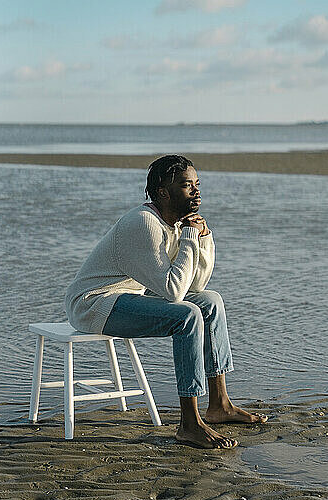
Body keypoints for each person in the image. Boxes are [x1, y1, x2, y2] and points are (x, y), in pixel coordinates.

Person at [65, 154, 267, 449]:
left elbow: (196, 285)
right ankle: (189, 423)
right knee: (186, 316)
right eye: (187, 185)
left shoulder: (176, 224)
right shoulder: (143, 223)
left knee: (210, 302)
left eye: (197, 184)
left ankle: (219, 405)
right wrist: (188, 237)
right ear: (163, 192)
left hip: (129, 296)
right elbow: (174, 293)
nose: (196, 191)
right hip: (94, 303)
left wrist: (203, 238)